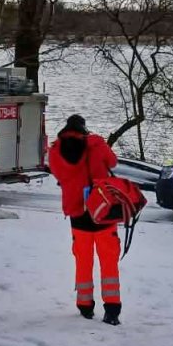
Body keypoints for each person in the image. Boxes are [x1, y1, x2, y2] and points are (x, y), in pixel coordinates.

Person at [47, 114, 123, 325]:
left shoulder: (55, 151)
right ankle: (112, 310)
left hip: (77, 213)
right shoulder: (96, 144)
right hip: (103, 211)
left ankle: (85, 305)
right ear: (84, 129)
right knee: (108, 262)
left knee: (83, 260)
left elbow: (58, 174)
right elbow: (113, 162)